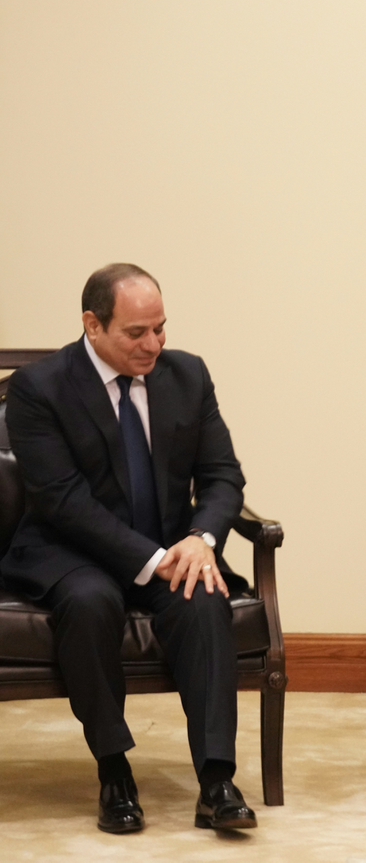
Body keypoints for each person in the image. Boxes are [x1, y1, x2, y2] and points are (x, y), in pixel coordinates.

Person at [1, 264, 257, 834]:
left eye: (160, 328)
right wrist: (155, 559)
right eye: (136, 333)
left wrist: (201, 540)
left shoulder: (188, 375)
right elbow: (62, 499)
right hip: (71, 551)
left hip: (170, 547)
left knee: (205, 597)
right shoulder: (40, 388)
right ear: (93, 325)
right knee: (90, 603)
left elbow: (222, 476)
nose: (154, 345)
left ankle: (216, 780)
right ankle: (114, 772)